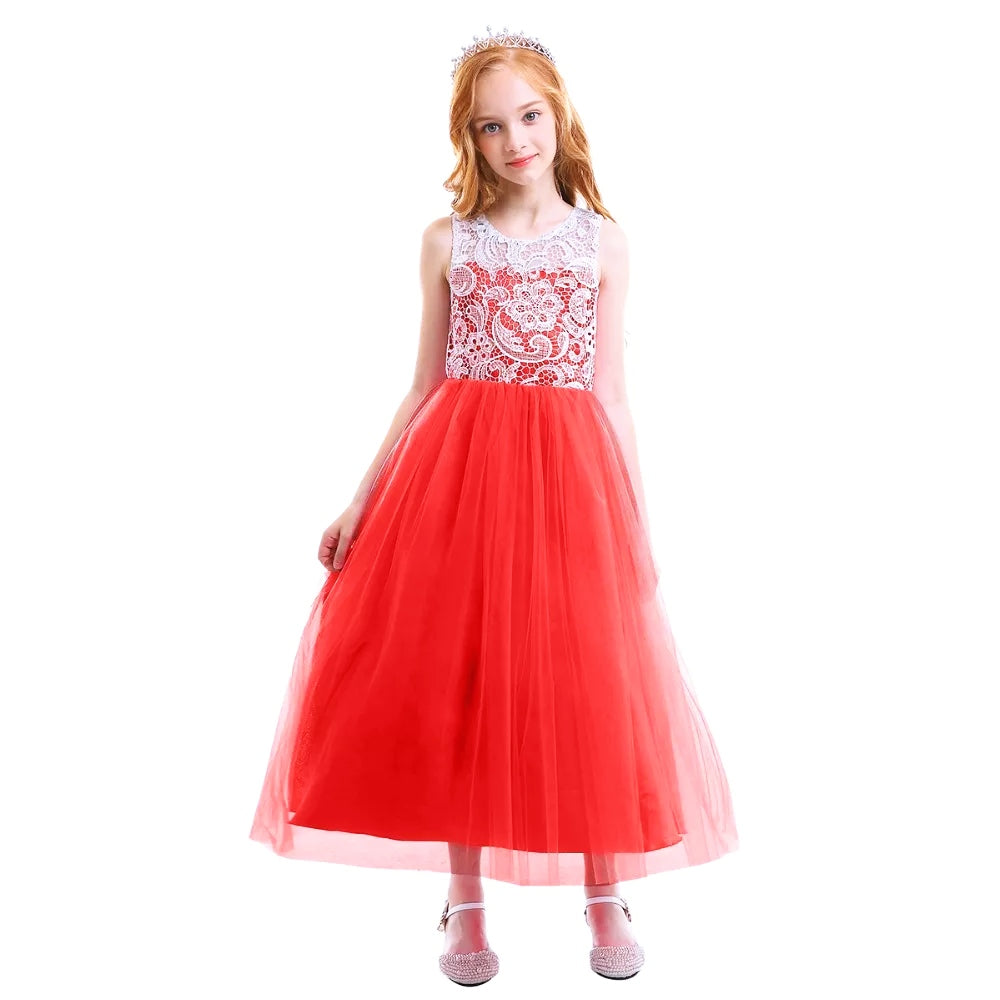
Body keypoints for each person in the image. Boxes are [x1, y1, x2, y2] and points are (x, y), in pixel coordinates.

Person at [249, 26, 739, 986]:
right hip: (457, 483)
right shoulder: (447, 241)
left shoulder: (603, 243)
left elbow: (611, 395)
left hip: (571, 485)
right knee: (460, 681)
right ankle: (464, 900)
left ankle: (605, 888)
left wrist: (634, 521)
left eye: (529, 116)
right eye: (490, 126)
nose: (515, 140)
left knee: (588, 674)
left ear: (559, 115)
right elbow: (424, 384)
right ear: (467, 139)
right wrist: (360, 500)